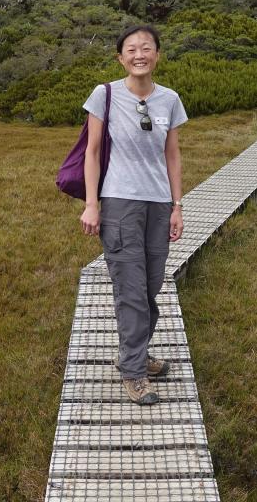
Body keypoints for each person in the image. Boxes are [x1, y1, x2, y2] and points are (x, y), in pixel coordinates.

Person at [80, 24, 187, 406]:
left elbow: (172, 154)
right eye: (131, 49)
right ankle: (133, 371)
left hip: (158, 205)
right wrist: (92, 204)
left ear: (158, 54)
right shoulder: (104, 95)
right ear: (120, 57)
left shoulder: (170, 99)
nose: (139, 54)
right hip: (120, 204)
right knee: (131, 291)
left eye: (146, 48)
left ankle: (134, 352)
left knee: (150, 287)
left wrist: (177, 206)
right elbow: (92, 153)